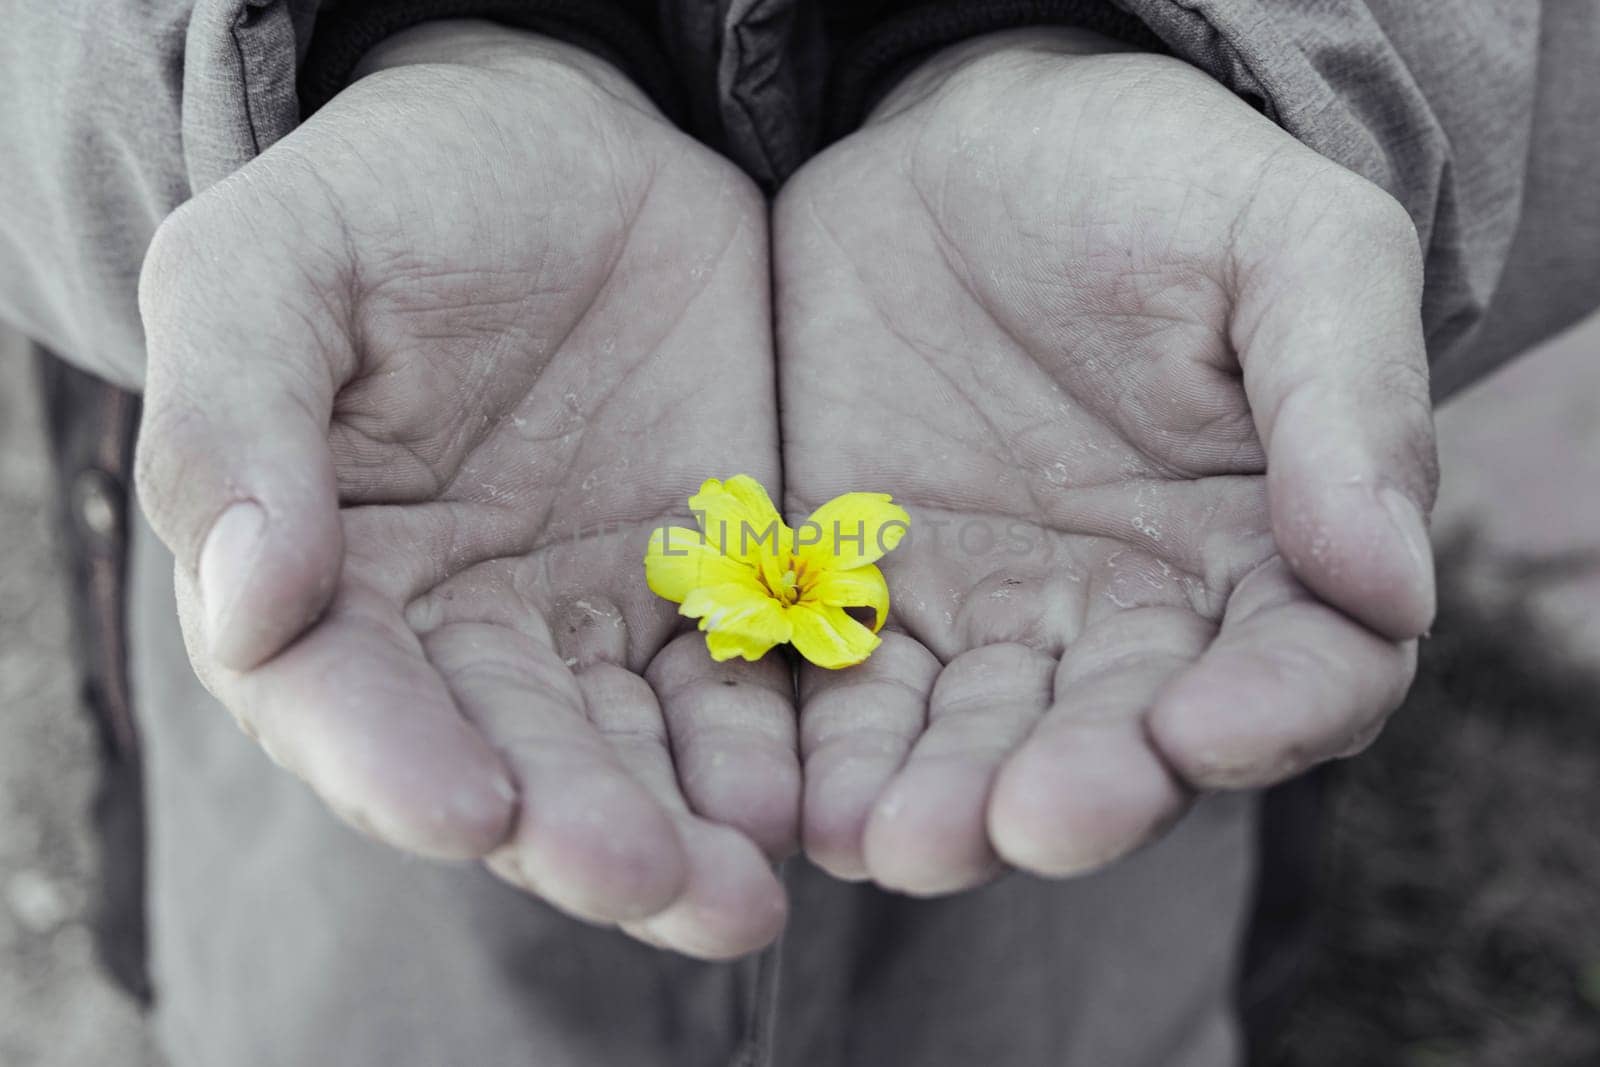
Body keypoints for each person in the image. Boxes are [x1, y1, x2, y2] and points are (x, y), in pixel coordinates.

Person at [3, 2, 1595, 1064]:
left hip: (1070, 777)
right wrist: (272, 77)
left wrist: (1253, 67)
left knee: (1067, 920)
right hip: (404, 536)